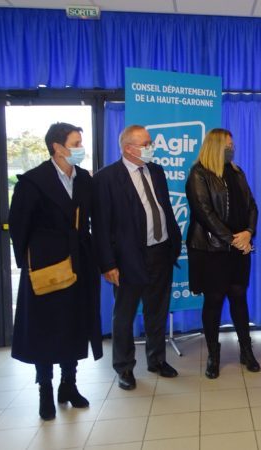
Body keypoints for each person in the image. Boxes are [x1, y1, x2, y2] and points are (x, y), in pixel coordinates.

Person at [9, 122, 103, 421]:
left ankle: (69, 385)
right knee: (45, 330)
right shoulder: (33, 181)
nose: (80, 149)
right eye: (76, 143)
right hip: (47, 268)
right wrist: (30, 263)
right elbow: (19, 227)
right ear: (58, 148)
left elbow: (94, 221)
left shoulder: (86, 180)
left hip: (79, 264)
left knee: (75, 325)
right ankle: (45, 390)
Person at [93, 125, 182, 390]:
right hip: (128, 258)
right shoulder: (106, 178)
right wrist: (108, 264)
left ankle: (156, 360)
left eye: (150, 142)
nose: (151, 146)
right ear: (128, 148)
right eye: (146, 143)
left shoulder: (156, 171)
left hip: (161, 252)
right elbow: (100, 225)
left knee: (157, 312)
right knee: (124, 315)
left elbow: (162, 207)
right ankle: (125, 368)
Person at [186, 128, 260, 379]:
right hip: (211, 250)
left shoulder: (237, 172)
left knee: (239, 298)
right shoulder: (199, 174)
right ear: (216, 146)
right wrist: (233, 240)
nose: (232, 148)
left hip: (239, 248)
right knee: (214, 301)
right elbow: (204, 214)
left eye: (233, 144)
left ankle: (246, 351)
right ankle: (213, 355)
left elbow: (252, 205)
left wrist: (249, 232)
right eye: (228, 144)